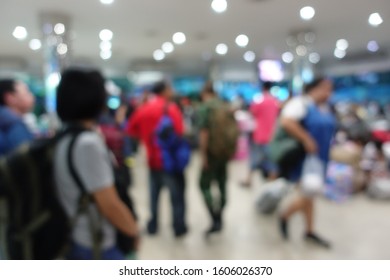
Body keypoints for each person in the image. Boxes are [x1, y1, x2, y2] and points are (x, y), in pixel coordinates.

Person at [54, 68, 138, 259]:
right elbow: (109, 203)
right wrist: (132, 230)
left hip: (78, 236)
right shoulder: (87, 143)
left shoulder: (65, 138)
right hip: (95, 243)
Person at [279, 77, 336, 248]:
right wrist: (306, 139)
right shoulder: (302, 104)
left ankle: (309, 231)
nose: (328, 93)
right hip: (305, 160)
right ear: (315, 88)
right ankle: (285, 216)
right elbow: (286, 121)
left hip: (321, 158)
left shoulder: (324, 108)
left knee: (311, 195)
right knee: (308, 193)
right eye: (326, 89)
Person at [127, 80, 188, 237]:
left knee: (154, 195)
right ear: (164, 91)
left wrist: (146, 139)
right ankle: (178, 226)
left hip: (152, 159)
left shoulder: (144, 109)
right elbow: (180, 132)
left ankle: (153, 226)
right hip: (171, 161)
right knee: (176, 196)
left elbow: (130, 129)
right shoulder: (171, 108)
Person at [197, 82, 239, 236]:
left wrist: (203, 156)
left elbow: (204, 133)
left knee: (204, 185)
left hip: (211, 153)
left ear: (204, 93)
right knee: (222, 184)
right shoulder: (225, 106)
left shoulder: (205, 108)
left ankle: (214, 216)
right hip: (225, 153)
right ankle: (220, 215)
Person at [241, 81, 280, 187]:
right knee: (272, 160)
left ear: (263, 88)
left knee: (254, 158)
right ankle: (273, 184)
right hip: (271, 135)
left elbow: (251, 113)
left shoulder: (259, 101)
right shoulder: (275, 102)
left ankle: (248, 180)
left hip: (259, 135)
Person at [0, 79, 35, 156]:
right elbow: (27, 160)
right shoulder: (13, 126)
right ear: (10, 98)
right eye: (27, 92)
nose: (32, 96)